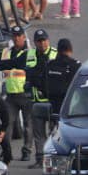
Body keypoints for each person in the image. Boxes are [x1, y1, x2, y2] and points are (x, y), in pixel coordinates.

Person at [0, 27, 36, 161]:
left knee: (28, 125)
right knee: (7, 125)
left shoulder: (30, 53)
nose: (16, 38)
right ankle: (6, 152)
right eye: (14, 36)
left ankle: (27, 151)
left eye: (19, 35)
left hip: (25, 95)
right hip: (10, 95)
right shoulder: (6, 52)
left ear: (24, 37)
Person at [22, 29, 60, 162]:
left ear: (48, 40)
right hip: (36, 102)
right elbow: (18, 67)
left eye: (44, 40)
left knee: (54, 132)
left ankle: (54, 159)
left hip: (52, 101)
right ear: (35, 43)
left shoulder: (56, 54)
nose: (42, 43)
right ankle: (40, 159)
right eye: (39, 41)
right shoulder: (30, 54)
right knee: (38, 133)